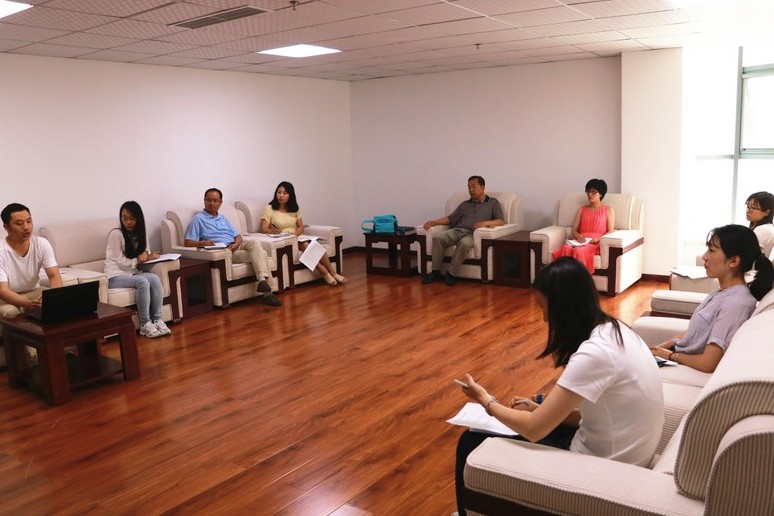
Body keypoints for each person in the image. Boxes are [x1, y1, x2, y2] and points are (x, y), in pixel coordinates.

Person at [453, 257, 663, 516]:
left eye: (544, 307)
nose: (544, 318)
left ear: (563, 307)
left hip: (601, 468)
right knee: (533, 422)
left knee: (470, 441)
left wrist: (486, 400)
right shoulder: (617, 330)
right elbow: (604, 416)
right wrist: (539, 410)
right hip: (624, 455)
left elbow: (533, 429)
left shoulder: (595, 353)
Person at [651, 224, 773, 373]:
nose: (704, 256)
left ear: (734, 261)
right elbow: (694, 332)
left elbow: (708, 363)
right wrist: (659, 348)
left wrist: (670, 356)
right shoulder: (721, 292)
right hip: (673, 354)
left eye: (712, 250)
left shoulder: (736, 303)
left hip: (682, 364)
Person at [184, 188, 281, 307]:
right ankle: (267, 293)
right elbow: (187, 242)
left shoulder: (222, 218)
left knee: (256, 243)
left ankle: (262, 281)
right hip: (226, 251)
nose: (212, 203)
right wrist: (203, 243)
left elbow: (238, 236)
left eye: (215, 200)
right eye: (209, 200)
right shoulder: (198, 219)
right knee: (263, 254)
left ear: (220, 203)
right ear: (204, 201)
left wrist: (237, 244)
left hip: (236, 245)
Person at [421, 176, 504, 286]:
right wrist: (434, 222)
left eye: (474, 187)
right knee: (438, 238)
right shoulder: (464, 204)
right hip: (457, 230)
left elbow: (500, 221)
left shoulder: (492, 203)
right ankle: (435, 272)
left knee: (464, 244)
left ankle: (452, 274)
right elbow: (450, 219)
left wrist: (485, 223)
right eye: (469, 187)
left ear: (483, 187)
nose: (471, 190)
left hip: (472, 234)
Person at [260, 181, 346, 286]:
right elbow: (263, 229)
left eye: (285, 193)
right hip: (283, 239)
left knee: (315, 245)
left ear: (290, 195)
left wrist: (295, 235)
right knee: (305, 245)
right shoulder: (269, 209)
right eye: (279, 192)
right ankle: (324, 272)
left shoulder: (294, 209)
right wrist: (275, 231)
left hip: (296, 236)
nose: (281, 195)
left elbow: (301, 226)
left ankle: (333, 273)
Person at [105, 201, 170, 339]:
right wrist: (140, 260)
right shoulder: (116, 234)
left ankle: (157, 320)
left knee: (154, 278)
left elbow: (146, 250)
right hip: (114, 276)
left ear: (138, 218)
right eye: (124, 218)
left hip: (132, 273)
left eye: (132, 218)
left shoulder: (141, 233)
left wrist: (146, 253)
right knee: (142, 282)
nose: (128, 222)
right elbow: (121, 262)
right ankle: (145, 324)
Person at [0, 203, 64, 317]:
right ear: (6, 227)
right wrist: (29, 304)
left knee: (63, 302)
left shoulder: (41, 244)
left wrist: (55, 298)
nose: (26, 227)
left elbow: (54, 275)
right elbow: (3, 291)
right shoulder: (1, 250)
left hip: (34, 291)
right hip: (7, 297)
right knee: (11, 313)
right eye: (19, 223)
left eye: (29, 221)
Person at [552, 178, 615, 273]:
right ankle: (563, 277)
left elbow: (611, 231)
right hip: (580, 241)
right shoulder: (582, 210)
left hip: (595, 243)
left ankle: (579, 279)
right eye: (588, 191)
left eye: (593, 192)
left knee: (579, 251)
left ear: (600, 194)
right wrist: (578, 236)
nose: (590, 194)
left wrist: (598, 239)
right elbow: (574, 230)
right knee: (566, 248)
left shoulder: (608, 210)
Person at [745, 191, 774, 257]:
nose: (747, 210)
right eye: (748, 206)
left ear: (766, 212)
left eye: (753, 208)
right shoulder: (769, 227)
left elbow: (746, 254)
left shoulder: (762, 229)